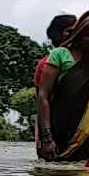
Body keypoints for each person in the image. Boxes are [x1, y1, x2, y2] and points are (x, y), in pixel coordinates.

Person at [35, 10, 89, 162]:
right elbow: (43, 96)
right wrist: (47, 138)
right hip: (57, 128)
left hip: (86, 132)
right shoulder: (59, 54)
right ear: (79, 32)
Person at [33, 14, 77, 147]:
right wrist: (45, 137)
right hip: (56, 124)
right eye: (69, 31)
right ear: (57, 34)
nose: (75, 35)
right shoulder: (46, 64)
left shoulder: (88, 61)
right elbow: (41, 99)